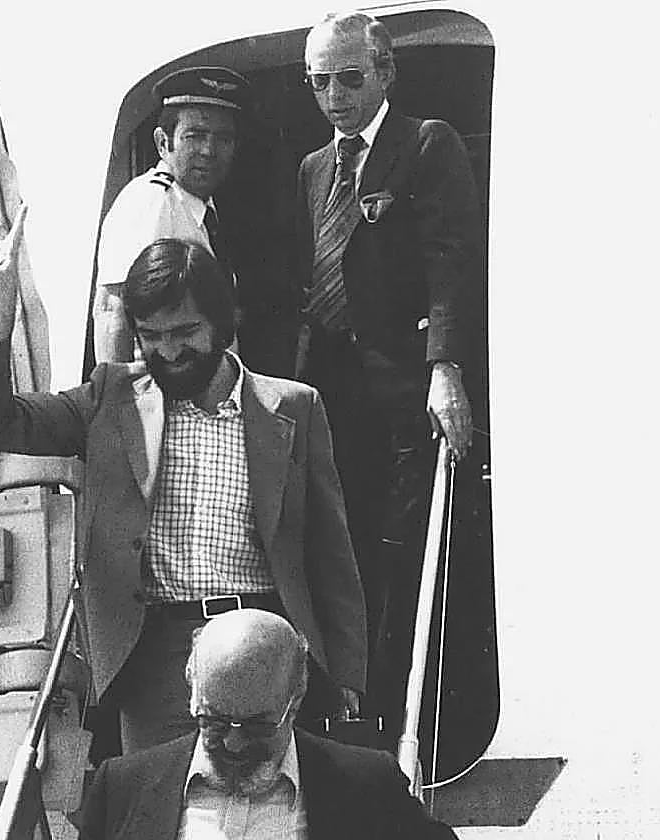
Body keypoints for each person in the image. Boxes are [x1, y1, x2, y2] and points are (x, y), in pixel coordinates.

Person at [0, 216, 366, 753]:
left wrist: (348, 672)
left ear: (223, 323)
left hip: (267, 644)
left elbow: (331, 552)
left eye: (185, 334)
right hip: (156, 657)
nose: (168, 353)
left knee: (268, 815)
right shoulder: (110, 399)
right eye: (152, 337)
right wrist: (0, 312)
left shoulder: (293, 407)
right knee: (164, 814)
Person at [290, 11, 484, 728]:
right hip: (333, 391)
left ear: (385, 74)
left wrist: (447, 370)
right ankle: (352, 711)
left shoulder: (426, 145)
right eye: (319, 82)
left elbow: (451, 264)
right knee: (342, 548)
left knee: (406, 546)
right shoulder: (313, 169)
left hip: (406, 385)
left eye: (349, 78)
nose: (334, 96)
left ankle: (415, 712)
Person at [78, 608, 457, 839]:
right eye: (215, 722)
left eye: (257, 726)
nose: (234, 744)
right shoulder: (122, 788)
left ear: (295, 701)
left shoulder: (368, 785)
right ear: (192, 694)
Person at [93, 66, 248, 364]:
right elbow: (113, 311)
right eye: (195, 135)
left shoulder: (196, 206)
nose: (208, 150)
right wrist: (118, 403)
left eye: (223, 138)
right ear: (164, 143)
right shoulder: (150, 202)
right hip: (160, 393)